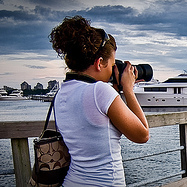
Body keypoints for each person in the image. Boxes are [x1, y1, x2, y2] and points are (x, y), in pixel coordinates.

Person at [49, 15, 149, 186]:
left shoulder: (61, 93)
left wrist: (116, 91)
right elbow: (142, 135)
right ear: (99, 63)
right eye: (111, 66)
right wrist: (128, 90)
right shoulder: (100, 91)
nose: (112, 71)